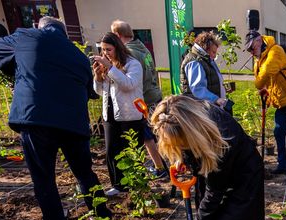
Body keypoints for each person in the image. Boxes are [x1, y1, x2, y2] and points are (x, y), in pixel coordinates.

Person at [0, 16, 111, 220]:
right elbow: (89, 92)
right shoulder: (77, 55)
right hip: (73, 123)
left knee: (44, 178)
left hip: (37, 120)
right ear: (64, 34)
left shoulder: (27, 36)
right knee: (85, 172)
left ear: (39, 27)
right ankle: (103, 217)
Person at [245, 30, 286, 174]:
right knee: (279, 131)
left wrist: (261, 85)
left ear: (259, 41)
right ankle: (283, 166)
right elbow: (266, 82)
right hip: (282, 102)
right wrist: (268, 92)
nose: (251, 52)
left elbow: (262, 78)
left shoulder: (275, 51)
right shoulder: (260, 58)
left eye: (251, 48)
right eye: (248, 49)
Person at [110, 19, 167, 178]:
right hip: (154, 94)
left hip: (144, 99)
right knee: (158, 133)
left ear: (117, 35)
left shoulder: (129, 53)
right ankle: (169, 164)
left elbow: (129, 81)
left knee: (147, 137)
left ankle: (160, 167)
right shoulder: (143, 48)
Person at [92, 31, 146, 196]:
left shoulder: (132, 64)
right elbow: (100, 92)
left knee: (132, 150)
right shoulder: (107, 66)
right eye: (103, 49)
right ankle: (117, 184)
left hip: (130, 115)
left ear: (118, 48)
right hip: (110, 114)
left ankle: (137, 185)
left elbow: (129, 85)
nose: (105, 53)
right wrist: (98, 76)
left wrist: (110, 68)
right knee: (111, 150)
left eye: (109, 49)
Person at [180, 31, 231, 113]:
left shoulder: (205, 59)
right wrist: (216, 99)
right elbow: (197, 89)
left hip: (210, 108)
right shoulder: (195, 62)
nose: (215, 55)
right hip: (203, 111)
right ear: (205, 48)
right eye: (213, 52)